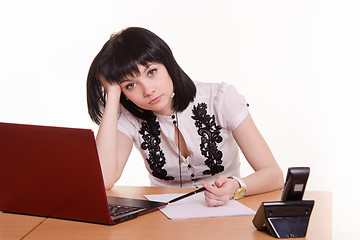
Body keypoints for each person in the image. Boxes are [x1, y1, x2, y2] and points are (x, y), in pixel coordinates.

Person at [86, 27, 284, 207]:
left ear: (168, 64)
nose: (148, 90)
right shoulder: (129, 118)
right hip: (162, 221)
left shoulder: (220, 98)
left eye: (152, 72)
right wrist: (112, 95)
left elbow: (274, 174)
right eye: (130, 85)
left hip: (225, 212)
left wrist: (236, 186)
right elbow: (104, 180)